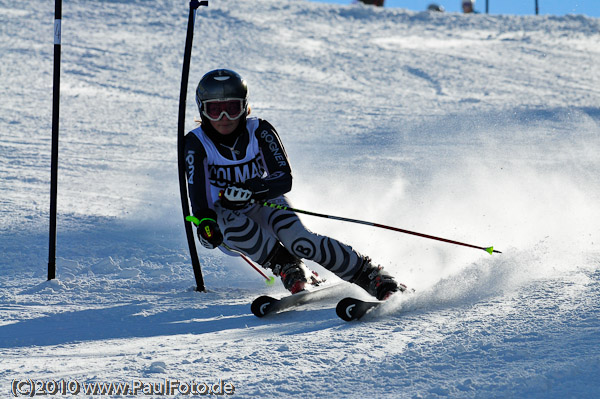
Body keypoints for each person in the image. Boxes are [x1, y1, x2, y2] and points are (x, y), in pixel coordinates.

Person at [184, 69, 405, 300]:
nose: (224, 118)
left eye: (232, 108)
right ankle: (287, 265)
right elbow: (197, 194)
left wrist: (252, 189)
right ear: (202, 109)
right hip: (224, 220)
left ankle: (370, 275)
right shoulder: (195, 143)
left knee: (302, 242)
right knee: (230, 222)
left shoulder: (259, 130)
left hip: (264, 202)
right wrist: (205, 223)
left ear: (244, 106)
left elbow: (283, 178)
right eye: (215, 110)